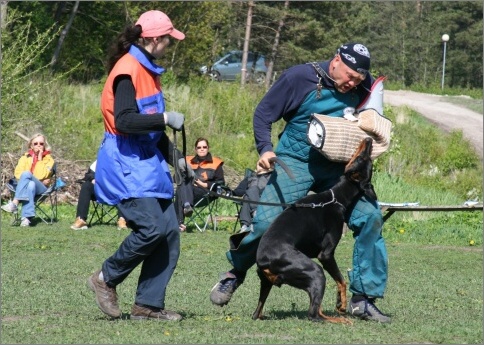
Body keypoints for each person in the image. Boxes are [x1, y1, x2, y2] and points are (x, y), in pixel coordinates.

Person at [209, 43, 392, 323]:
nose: (352, 83)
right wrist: (265, 149)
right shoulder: (300, 78)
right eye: (349, 76)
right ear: (335, 62)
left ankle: (363, 299)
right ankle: (235, 272)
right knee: (264, 223)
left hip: (336, 169)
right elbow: (263, 114)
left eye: (358, 79)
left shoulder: (365, 85)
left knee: (370, 218)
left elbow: (372, 117)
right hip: (295, 160)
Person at [86, 9, 186, 321]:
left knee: (169, 232)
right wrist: (165, 118)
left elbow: (150, 130)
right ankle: (105, 277)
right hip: (125, 162)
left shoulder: (149, 70)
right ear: (154, 39)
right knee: (151, 227)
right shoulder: (128, 70)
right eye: (168, 38)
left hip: (147, 161)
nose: (169, 43)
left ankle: (147, 305)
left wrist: (178, 159)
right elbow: (127, 121)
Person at [1, 133, 55, 227]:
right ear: (31, 145)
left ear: (45, 146)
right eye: (36, 143)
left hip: (42, 187)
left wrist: (39, 159)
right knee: (30, 184)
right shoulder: (24, 158)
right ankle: (26, 218)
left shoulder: (49, 160)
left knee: (26, 174)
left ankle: (15, 202)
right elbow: (17, 174)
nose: (38, 145)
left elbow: (41, 175)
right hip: (27, 185)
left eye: (41, 144)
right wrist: (32, 179)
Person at [175, 137, 225, 232]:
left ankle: (178, 222)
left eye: (204, 147)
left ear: (208, 148)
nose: (202, 149)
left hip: (205, 194)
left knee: (180, 190)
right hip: (188, 192)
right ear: (195, 149)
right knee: (183, 184)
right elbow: (175, 178)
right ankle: (186, 207)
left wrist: (204, 184)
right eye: (199, 147)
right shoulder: (187, 161)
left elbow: (221, 183)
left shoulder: (216, 162)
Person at [70, 160, 128, 231]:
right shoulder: (101, 160)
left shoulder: (123, 160)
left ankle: (122, 219)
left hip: (117, 193)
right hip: (100, 192)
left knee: (125, 188)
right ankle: (81, 219)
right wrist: (93, 179)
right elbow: (89, 174)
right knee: (86, 186)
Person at [231, 166, 271, 233]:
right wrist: (230, 192)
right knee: (248, 195)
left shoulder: (272, 177)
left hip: (265, 200)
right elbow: (240, 191)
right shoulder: (250, 177)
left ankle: (245, 226)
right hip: (252, 201)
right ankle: (254, 212)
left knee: (250, 193)